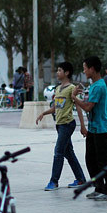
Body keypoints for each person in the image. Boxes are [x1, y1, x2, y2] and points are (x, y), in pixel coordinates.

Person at [36, 61, 87, 191]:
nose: (57, 72)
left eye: (59, 70)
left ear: (67, 73)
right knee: (68, 153)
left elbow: (79, 108)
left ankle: (54, 181)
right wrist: (43, 113)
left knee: (58, 151)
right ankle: (81, 179)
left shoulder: (72, 88)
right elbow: (55, 107)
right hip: (59, 125)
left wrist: (82, 126)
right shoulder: (58, 89)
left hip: (67, 124)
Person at [72, 56, 107, 201]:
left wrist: (74, 98)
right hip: (94, 128)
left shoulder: (99, 85)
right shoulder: (94, 85)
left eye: (85, 68)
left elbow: (89, 107)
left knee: (104, 160)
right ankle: (99, 187)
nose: (84, 71)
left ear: (92, 69)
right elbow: (88, 103)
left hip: (101, 129)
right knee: (91, 159)